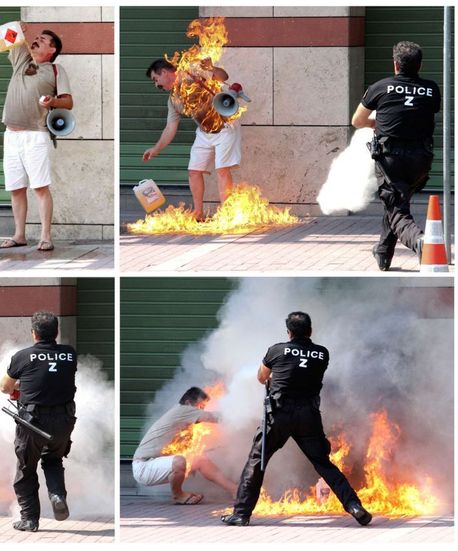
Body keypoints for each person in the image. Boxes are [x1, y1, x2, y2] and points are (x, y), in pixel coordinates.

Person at [221, 312, 372, 527]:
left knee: (257, 461)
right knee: (323, 464)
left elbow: (261, 377)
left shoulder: (276, 350)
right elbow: (306, 373)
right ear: (310, 331)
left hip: (279, 415)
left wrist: (275, 376)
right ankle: (354, 506)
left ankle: (241, 514)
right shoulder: (322, 353)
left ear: (289, 332)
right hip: (309, 416)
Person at [351, 41, 441, 271]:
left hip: (391, 158)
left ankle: (421, 242)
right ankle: (383, 253)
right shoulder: (431, 89)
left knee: (398, 209)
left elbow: (357, 121)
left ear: (395, 65)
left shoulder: (380, 87)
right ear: (420, 65)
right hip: (421, 158)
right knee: (396, 202)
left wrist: (376, 123)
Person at [0, 311, 78, 532]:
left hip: (32, 421)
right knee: (53, 461)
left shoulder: (23, 356)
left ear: (34, 333)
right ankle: (56, 496)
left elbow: (5, 387)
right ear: (57, 332)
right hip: (64, 420)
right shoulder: (70, 354)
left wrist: (19, 386)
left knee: (26, 468)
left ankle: (30, 519)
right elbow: (55, 378)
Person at [0, 22, 73, 252]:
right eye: (37, 37)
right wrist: (16, 28)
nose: (37, 40)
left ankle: (45, 237)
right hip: (11, 135)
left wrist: (53, 102)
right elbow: (7, 37)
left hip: (35, 136)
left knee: (40, 188)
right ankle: (19, 235)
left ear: (51, 50)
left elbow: (68, 102)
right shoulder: (21, 60)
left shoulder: (55, 70)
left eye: (43, 39)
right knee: (16, 189)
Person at [143, 58, 243, 221]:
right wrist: (156, 149)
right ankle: (198, 213)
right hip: (204, 133)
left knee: (222, 170)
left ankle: (228, 215)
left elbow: (223, 76)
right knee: (194, 171)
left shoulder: (193, 72)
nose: (157, 85)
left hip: (225, 127)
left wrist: (211, 67)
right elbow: (170, 128)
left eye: (156, 79)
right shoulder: (173, 100)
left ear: (164, 72)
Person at [132, 386, 237, 505]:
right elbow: (214, 417)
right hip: (144, 467)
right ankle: (178, 496)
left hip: (155, 464)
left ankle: (235, 490)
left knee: (200, 460)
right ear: (188, 403)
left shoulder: (182, 418)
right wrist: (239, 415)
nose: (201, 411)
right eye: (200, 407)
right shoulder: (183, 410)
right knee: (179, 461)